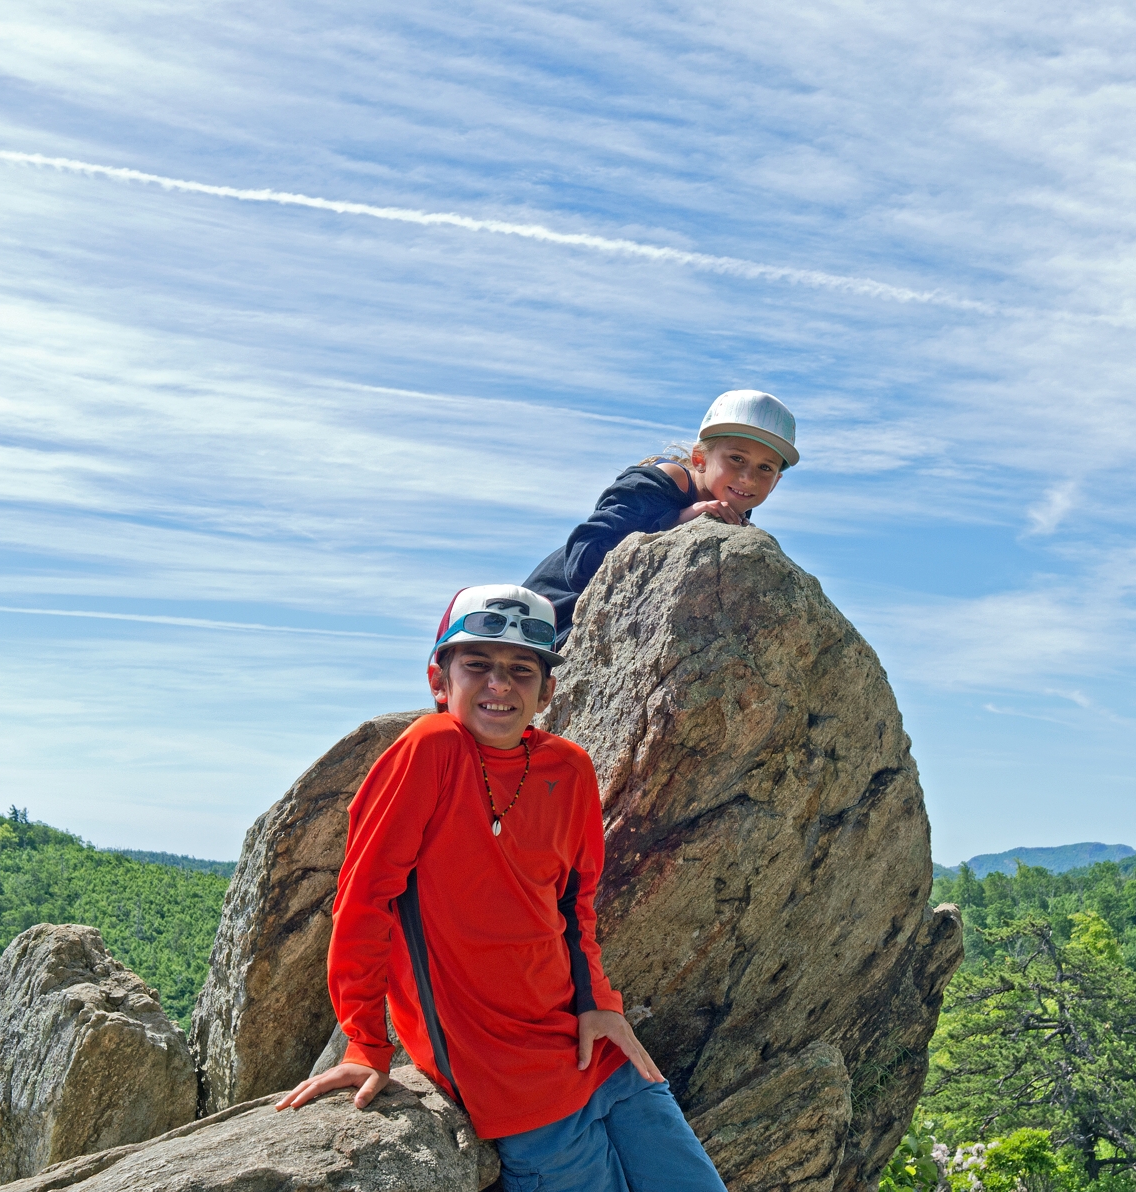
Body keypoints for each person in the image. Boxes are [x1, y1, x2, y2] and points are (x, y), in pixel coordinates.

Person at [275, 583, 727, 1192]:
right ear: (440, 681)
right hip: (504, 1075)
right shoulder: (430, 750)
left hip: (593, 1047)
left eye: (521, 669)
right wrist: (364, 1041)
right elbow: (364, 901)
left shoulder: (568, 768)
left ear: (548, 689)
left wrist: (598, 1004)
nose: (500, 684)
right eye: (478, 665)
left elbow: (574, 906)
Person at [524, 389, 799, 646]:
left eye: (765, 467)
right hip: (541, 623)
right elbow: (581, 564)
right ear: (700, 458)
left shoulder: (732, 507)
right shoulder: (657, 484)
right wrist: (678, 521)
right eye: (737, 458)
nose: (748, 477)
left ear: (775, 482)